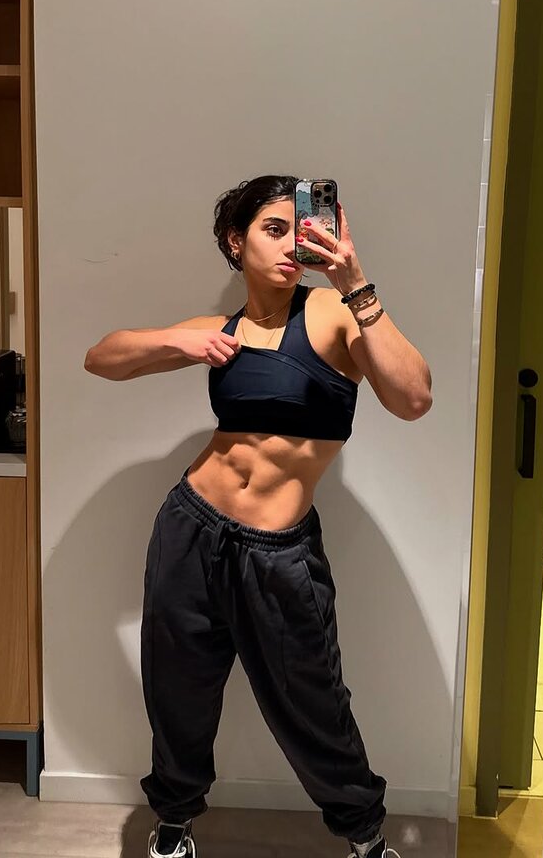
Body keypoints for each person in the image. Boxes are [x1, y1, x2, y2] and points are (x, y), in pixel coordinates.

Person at [84, 175, 432, 858]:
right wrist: (179, 343)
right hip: (191, 529)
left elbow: (413, 397)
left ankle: (365, 837)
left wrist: (354, 279)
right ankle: (174, 823)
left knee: (310, 701)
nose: (290, 246)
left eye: (297, 232)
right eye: (273, 230)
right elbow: (102, 359)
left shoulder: (332, 312)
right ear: (235, 242)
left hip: (278, 553)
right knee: (178, 688)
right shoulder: (220, 330)